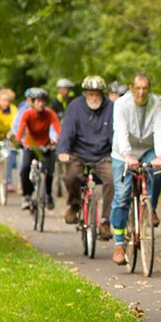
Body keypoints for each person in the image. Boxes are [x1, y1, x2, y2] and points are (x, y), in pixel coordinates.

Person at [110, 73, 161, 265]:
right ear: (131, 87)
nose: (141, 92)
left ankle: (151, 206)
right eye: (138, 88)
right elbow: (120, 131)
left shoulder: (156, 103)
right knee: (122, 195)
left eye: (145, 88)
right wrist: (127, 155)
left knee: (158, 170)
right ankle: (119, 242)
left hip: (148, 149)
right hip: (123, 152)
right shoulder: (121, 104)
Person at [56, 75, 114, 239]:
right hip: (79, 154)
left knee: (112, 179)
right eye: (91, 94)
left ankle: (104, 220)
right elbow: (67, 132)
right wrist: (63, 151)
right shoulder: (75, 107)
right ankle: (74, 205)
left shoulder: (111, 108)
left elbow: (115, 134)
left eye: (97, 94)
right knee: (71, 176)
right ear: (85, 93)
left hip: (103, 155)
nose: (94, 97)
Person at [15, 88, 61, 210]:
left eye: (43, 101)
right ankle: (27, 195)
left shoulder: (50, 114)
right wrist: (18, 140)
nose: (41, 104)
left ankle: (48, 195)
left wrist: (61, 140)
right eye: (38, 101)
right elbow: (21, 129)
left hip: (45, 146)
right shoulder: (27, 114)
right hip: (31, 146)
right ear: (33, 102)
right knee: (25, 168)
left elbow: (58, 128)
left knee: (49, 171)